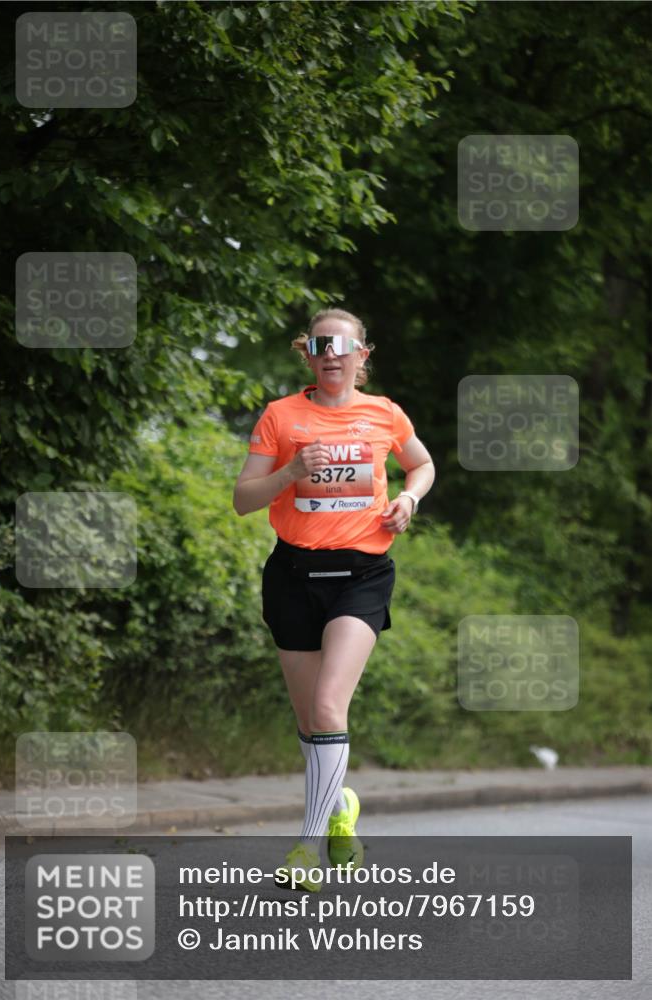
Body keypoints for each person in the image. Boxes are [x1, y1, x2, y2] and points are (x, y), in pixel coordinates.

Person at [233, 308, 435, 891]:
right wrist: (292, 470)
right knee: (309, 721)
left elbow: (420, 464)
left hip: (362, 575)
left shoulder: (384, 414)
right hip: (293, 575)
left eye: (344, 346)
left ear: (361, 355)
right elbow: (245, 499)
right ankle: (341, 801)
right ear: (309, 354)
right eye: (321, 345)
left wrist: (410, 500)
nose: (332, 355)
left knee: (327, 708)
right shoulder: (281, 417)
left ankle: (307, 847)